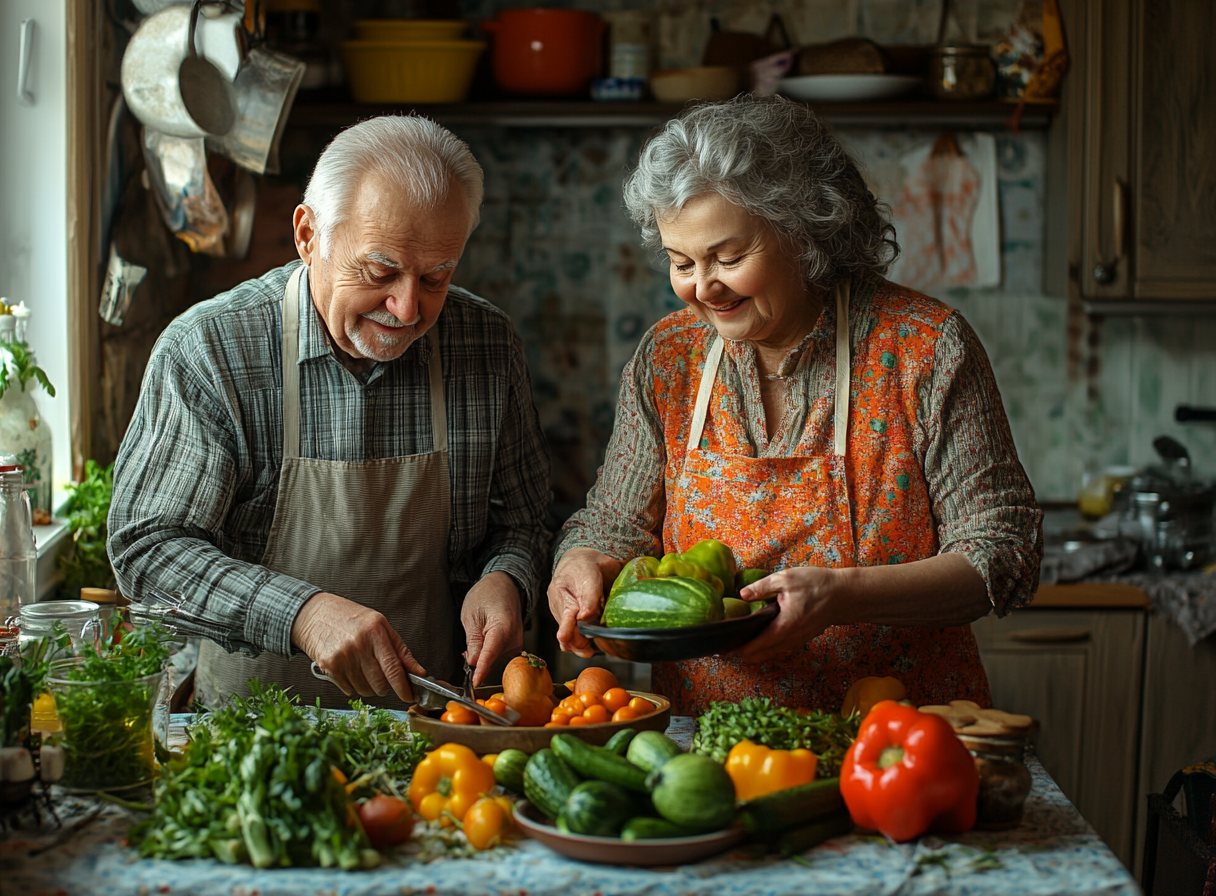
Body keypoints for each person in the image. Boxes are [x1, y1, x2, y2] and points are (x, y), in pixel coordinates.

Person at [548, 96, 1043, 717]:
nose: (704, 287)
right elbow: (616, 522)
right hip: (710, 743)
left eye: (729, 258)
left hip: (899, 739)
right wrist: (582, 562)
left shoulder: (924, 349)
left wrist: (844, 596)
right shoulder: (669, 357)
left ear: (807, 230)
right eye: (681, 262)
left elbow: (1002, 550)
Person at [109, 116, 552, 709]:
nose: (406, 306)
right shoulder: (211, 351)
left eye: (437, 278)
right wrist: (303, 615)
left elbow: (523, 520)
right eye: (379, 271)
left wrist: (507, 579)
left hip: (439, 731)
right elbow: (148, 549)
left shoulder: (487, 346)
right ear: (308, 234)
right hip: (256, 735)